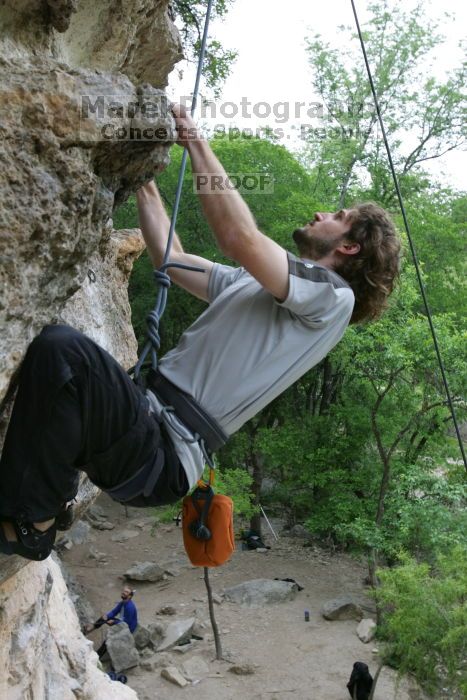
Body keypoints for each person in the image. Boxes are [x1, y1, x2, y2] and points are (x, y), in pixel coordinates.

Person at [0, 104, 401, 561]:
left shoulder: (333, 299)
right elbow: (170, 256)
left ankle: (33, 523)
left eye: (337, 214)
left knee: (64, 352)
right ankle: (49, 484)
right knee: (64, 371)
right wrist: (142, 179)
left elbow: (239, 237)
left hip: (161, 449)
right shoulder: (259, 286)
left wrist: (194, 139)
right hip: (147, 434)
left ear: (349, 246)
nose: (320, 212)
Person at [86, 586, 138, 659]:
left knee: (109, 638)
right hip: (121, 621)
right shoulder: (122, 603)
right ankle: (93, 627)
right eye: (123, 591)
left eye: (126, 592)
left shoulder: (130, 607)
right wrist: (107, 616)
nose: (123, 592)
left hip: (127, 628)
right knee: (103, 618)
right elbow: (114, 612)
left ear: (129, 596)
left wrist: (115, 622)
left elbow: (127, 623)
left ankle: (98, 655)